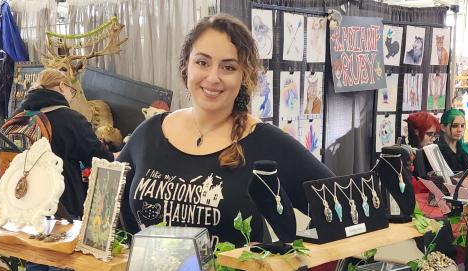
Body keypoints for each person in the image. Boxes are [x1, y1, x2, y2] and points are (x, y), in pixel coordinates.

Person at [118, 14, 331, 247]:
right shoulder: (150, 134)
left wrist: (285, 256)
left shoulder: (267, 143)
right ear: (186, 65)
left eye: (228, 67)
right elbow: (112, 211)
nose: (213, 77)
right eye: (202, 62)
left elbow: (345, 214)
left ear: (244, 75)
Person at [8, 68, 113, 218]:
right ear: (62, 86)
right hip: (61, 205)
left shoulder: (17, 116)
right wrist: (114, 155)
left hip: (20, 199)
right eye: (72, 91)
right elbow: (98, 158)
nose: (71, 97)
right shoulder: (71, 119)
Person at [404, 111, 441, 180]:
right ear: (416, 132)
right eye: (430, 134)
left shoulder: (430, 151)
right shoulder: (406, 155)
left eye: (435, 135)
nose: (433, 139)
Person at [437, 109, 468, 173]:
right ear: (443, 127)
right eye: (455, 126)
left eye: (462, 126)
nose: (460, 130)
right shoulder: (437, 150)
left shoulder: (465, 149)